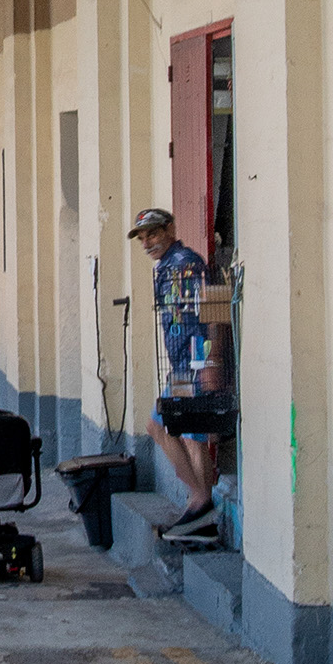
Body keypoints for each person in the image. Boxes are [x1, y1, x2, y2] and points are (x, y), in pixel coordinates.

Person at [129, 203, 226, 532]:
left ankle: (200, 500)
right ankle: (201, 515)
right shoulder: (168, 266)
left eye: (153, 233)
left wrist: (211, 361)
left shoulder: (184, 264)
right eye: (142, 237)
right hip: (184, 364)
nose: (147, 243)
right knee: (192, 436)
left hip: (194, 363)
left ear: (170, 230)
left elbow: (210, 312)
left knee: (159, 425)